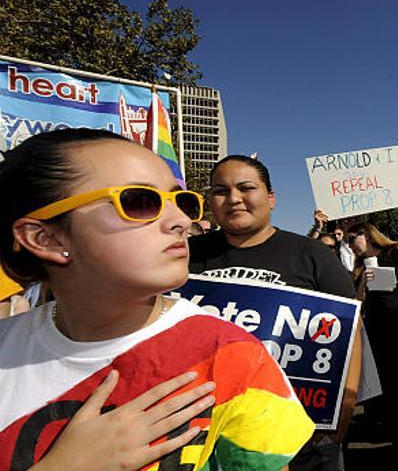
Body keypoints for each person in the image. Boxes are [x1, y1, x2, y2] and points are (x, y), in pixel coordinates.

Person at [0, 129, 314, 470]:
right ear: (44, 237)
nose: (181, 220)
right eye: (139, 201)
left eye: (181, 201)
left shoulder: (232, 357)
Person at [188, 155, 360, 471]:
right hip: (202, 430)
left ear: (271, 198)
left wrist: (341, 415)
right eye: (220, 190)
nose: (233, 199)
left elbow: (349, 332)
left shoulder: (313, 255)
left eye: (245, 188)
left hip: (298, 435)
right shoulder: (186, 255)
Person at [346, 222, 398, 463]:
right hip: (375, 330)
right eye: (347, 241)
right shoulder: (359, 265)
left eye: (353, 239)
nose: (350, 244)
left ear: (366, 235)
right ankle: (390, 434)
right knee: (383, 384)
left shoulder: (394, 252)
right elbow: (358, 302)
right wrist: (362, 285)